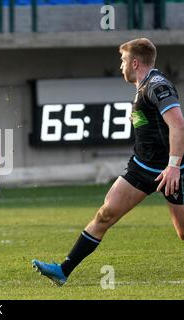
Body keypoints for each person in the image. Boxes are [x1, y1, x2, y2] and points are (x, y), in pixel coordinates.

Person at [33, 38, 184, 286]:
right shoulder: (143, 86)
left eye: (123, 60)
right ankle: (63, 271)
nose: (121, 65)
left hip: (172, 170)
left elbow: (178, 124)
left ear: (135, 62)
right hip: (142, 168)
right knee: (105, 214)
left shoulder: (157, 85)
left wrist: (174, 166)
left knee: (183, 232)